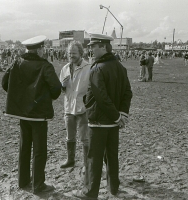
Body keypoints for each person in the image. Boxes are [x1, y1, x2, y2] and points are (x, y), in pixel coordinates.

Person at [72, 33, 132, 199]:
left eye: (93, 46)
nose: (90, 49)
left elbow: (101, 97)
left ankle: (90, 192)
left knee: (94, 158)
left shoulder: (97, 68)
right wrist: (122, 114)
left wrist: (116, 116)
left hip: (99, 122)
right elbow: (128, 93)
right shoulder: (120, 67)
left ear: (104, 47)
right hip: (114, 123)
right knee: (112, 156)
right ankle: (113, 187)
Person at [2, 35, 61, 194]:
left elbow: (5, 83)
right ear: (39, 49)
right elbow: (56, 89)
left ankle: (23, 181)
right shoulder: (45, 66)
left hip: (22, 113)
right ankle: (38, 185)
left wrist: (21, 98)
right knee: (39, 150)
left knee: (24, 147)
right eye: (43, 48)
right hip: (39, 114)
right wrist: (42, 97)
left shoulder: (17, 63)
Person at [59, 41, 90, 169]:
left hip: (83, 108)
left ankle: (87, 164)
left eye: (74, 53)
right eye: (69, 53)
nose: (71, 56)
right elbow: (61, 89)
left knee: (85, 138)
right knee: (70, 136)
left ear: (81, 53)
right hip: (68, 108)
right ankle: (70, 160)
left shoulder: (88, 67)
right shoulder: (65, 68)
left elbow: (91, 88)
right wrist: (62, 86)